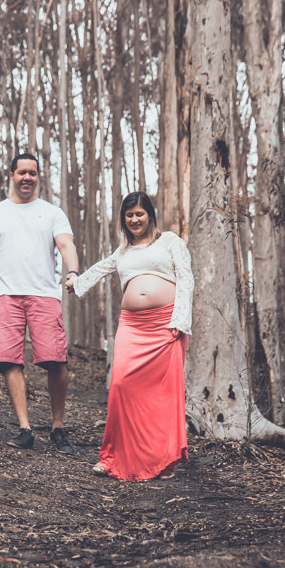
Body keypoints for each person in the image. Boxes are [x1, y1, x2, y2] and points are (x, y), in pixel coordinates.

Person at [65, 191, 193, 480]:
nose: (135, 219)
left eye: (140, 213)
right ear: (124, 219)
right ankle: (112, 457)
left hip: (164, 325)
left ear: (150, 215)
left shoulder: (170, 241)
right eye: (129, 214)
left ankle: (161, 459)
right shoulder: (123, 250)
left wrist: (180, 320)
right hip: (132, 326)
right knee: (121, 386)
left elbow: (186, 278)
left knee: (161, 395)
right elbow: (102, 268)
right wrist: (77, 281)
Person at [0, 153, 81, 453]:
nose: (27, 178)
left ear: (38, 176)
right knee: (8, 359)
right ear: (12, 175)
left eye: (32, 173)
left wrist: (73, 272)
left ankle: (58, 427)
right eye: (22, 173)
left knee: (56, 359)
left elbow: (66, 244)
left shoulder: (52, 212)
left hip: (44, 294)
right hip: (5, 294)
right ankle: (25, 428)